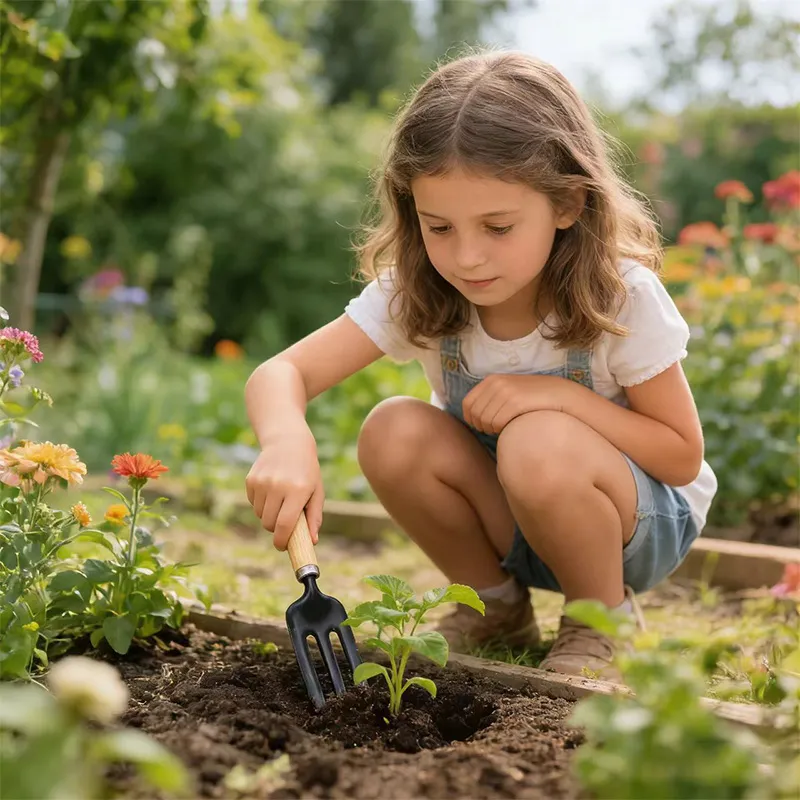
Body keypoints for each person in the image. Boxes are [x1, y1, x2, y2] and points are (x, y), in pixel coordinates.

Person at [244, 51, 718, 680]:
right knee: (392, 430)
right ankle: (496, 608)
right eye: (439, 226)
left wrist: (558, 399)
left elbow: (681, 454)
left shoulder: (620, 294)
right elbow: (280, 373)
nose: (466, 258)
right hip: (510, 518)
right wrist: (285, 440)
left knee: (538, 438)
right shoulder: (417, 291)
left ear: (568, 203)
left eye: (497, 227)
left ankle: (600, 617)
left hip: (635, 527)